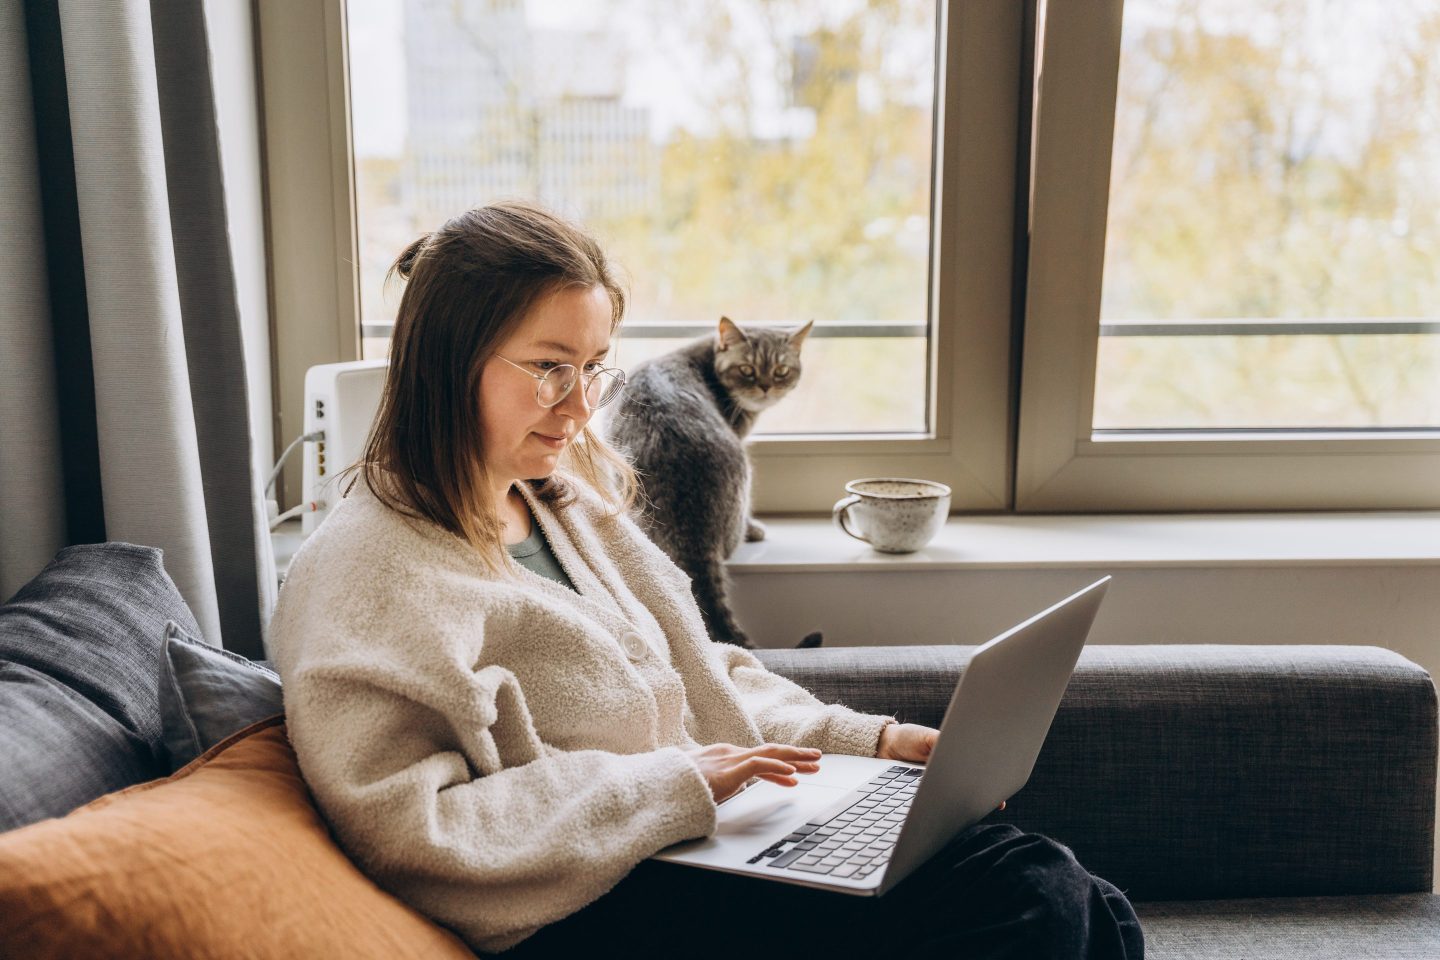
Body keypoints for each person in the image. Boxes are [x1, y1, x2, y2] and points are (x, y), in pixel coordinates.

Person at [267, 201, 1144, 959]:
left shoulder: (565, 506)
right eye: (549, 368)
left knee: (1073, 900)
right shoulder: (367, 574)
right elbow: (409, 828)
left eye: (594, 366)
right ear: (446, 362)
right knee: (1033, 898)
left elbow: (699, 671)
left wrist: (858, 740)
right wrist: (671, 784)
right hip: (582, 908)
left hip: (697, 846)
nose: (580, 408)